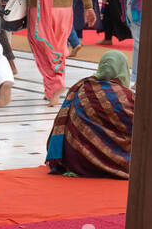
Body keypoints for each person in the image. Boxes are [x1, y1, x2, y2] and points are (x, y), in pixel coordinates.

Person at [44, 50, 135, 179]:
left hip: (74, 158)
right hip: (109, 160)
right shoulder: (123, 95)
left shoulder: (82, 85)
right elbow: (136, 126)